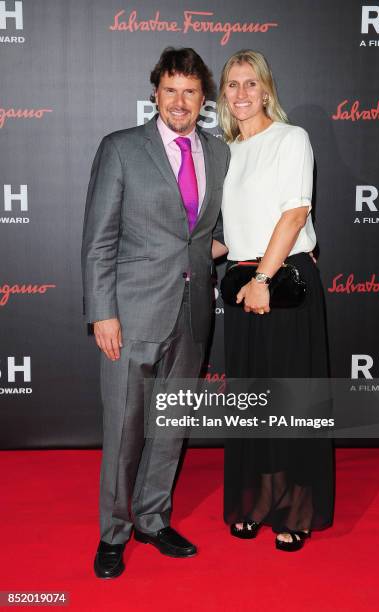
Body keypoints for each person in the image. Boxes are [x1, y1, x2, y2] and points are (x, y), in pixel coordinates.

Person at [81, 47, 230, 578]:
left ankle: (152, 518)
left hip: (192, 314)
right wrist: (103, 312)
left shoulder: (218, 154)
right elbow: (99, 240)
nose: (181, 102)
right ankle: (114, 532)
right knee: (124, 430)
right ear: (155, 94)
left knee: (170, 426)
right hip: (133, 313)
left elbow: (207, 237)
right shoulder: (121, 149)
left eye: (191, 92)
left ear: (202, 99)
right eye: (171, 90)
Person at [217, 50, 334, 551]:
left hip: (282, 281)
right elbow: (227, 236)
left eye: (251, 84)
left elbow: (294, 213)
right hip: (245, 283)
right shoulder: (226, 151)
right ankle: (259, 498)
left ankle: (297, 507)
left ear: (267, 90)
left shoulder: (292, 138)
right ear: (222, 94)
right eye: (232, 84)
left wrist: (264, 277)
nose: (241, 94)